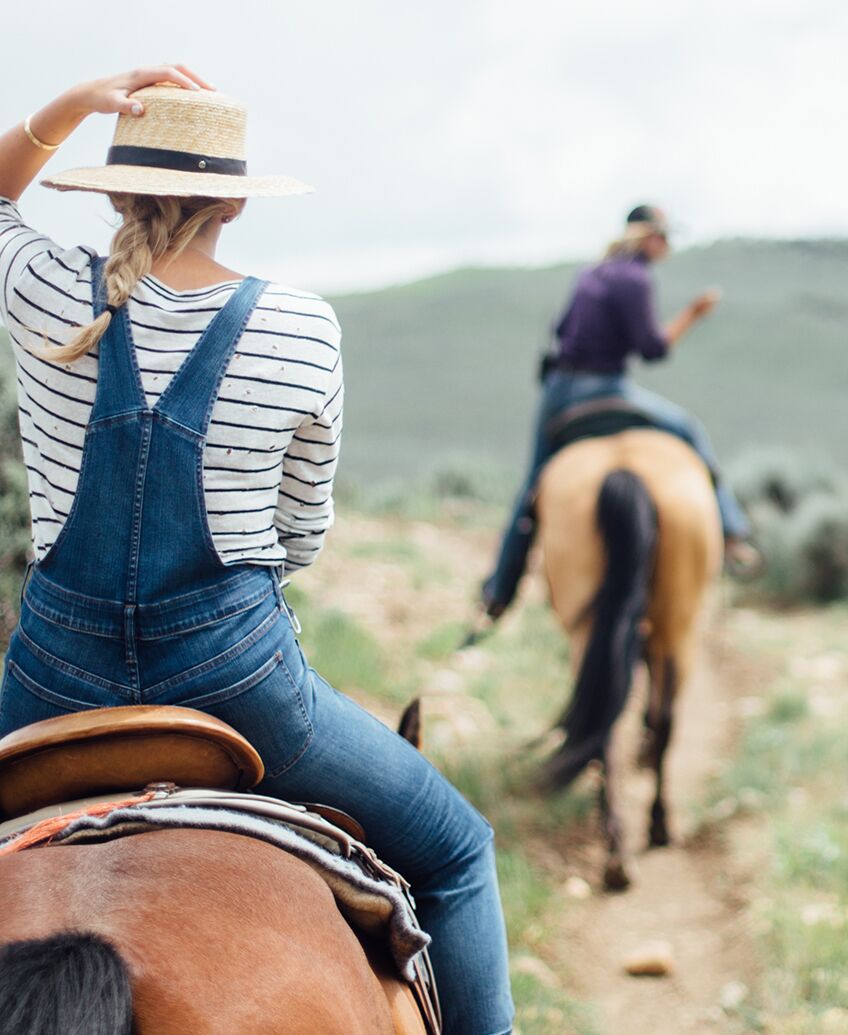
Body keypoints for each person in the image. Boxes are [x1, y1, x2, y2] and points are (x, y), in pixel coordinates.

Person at [0, 69, 513, 1034]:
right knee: (455, 851)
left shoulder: (39, 289)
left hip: (49, 682)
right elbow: (303, 534)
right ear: (234, 201)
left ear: (110, 189)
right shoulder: (300, 327)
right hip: (239, 684)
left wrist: (68, 105)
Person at [482, 204, 757, 617]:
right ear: (649, 237)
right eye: (665, 237)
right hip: (607, 388)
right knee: (689, 429)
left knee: (531, 487)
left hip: (559, 390)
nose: (668, 246)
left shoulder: (591, 271)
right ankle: (733, 532)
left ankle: (499, 591)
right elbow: (653, 349)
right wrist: (694, 314)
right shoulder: (637, 278)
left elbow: (561, 330)